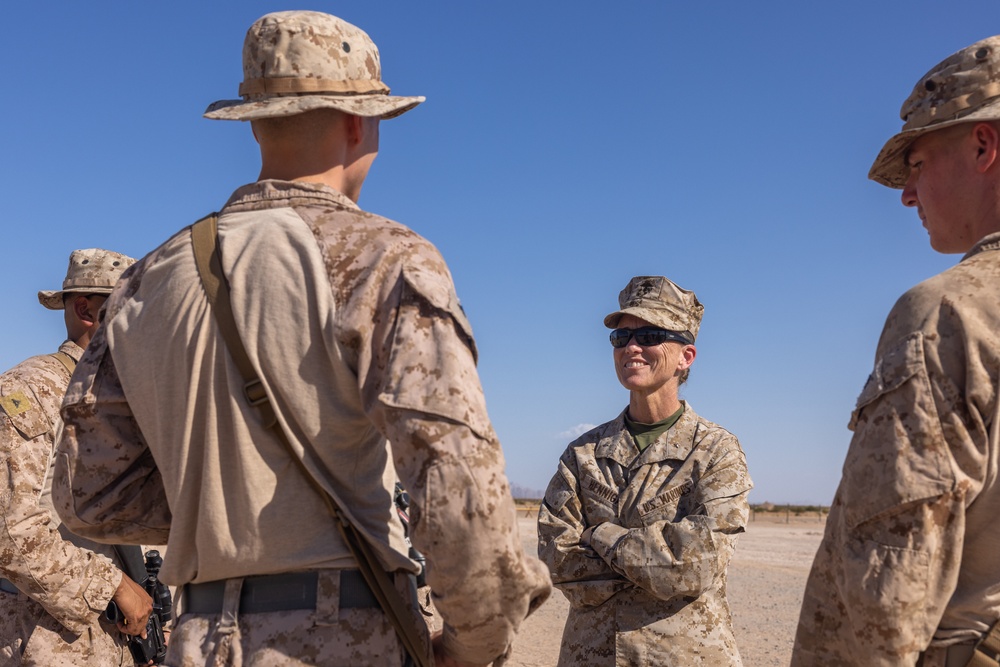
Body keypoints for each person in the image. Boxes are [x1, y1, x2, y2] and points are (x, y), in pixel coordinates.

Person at [50, 11, 550, 667]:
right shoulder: (380, 256)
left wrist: (224, 523)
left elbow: (90, 495)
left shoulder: (146, 281)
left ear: (256, 122)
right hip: (346, 632)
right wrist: (474, 643)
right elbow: (456, 490)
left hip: (198, 638)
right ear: (358, 122)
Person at [792, 36, 1000, 667]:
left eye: (916, 162)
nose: (908, 195)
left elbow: (887, 593)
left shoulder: (949, 311)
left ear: (983, 145)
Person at [537, 276, 753, 666]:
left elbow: (694, 565)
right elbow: (559, 559)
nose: (632, 348)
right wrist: (651, 563)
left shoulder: (716, 450)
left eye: (651, 336)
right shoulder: (583, 454)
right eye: (621, 338)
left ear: (686, 356)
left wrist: (600, 535)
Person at [0, 248, 150, 666]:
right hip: (42, 643)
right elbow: (9, 531)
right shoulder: (30, 392)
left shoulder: (106, 406)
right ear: (85, 309)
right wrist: (113, 587)